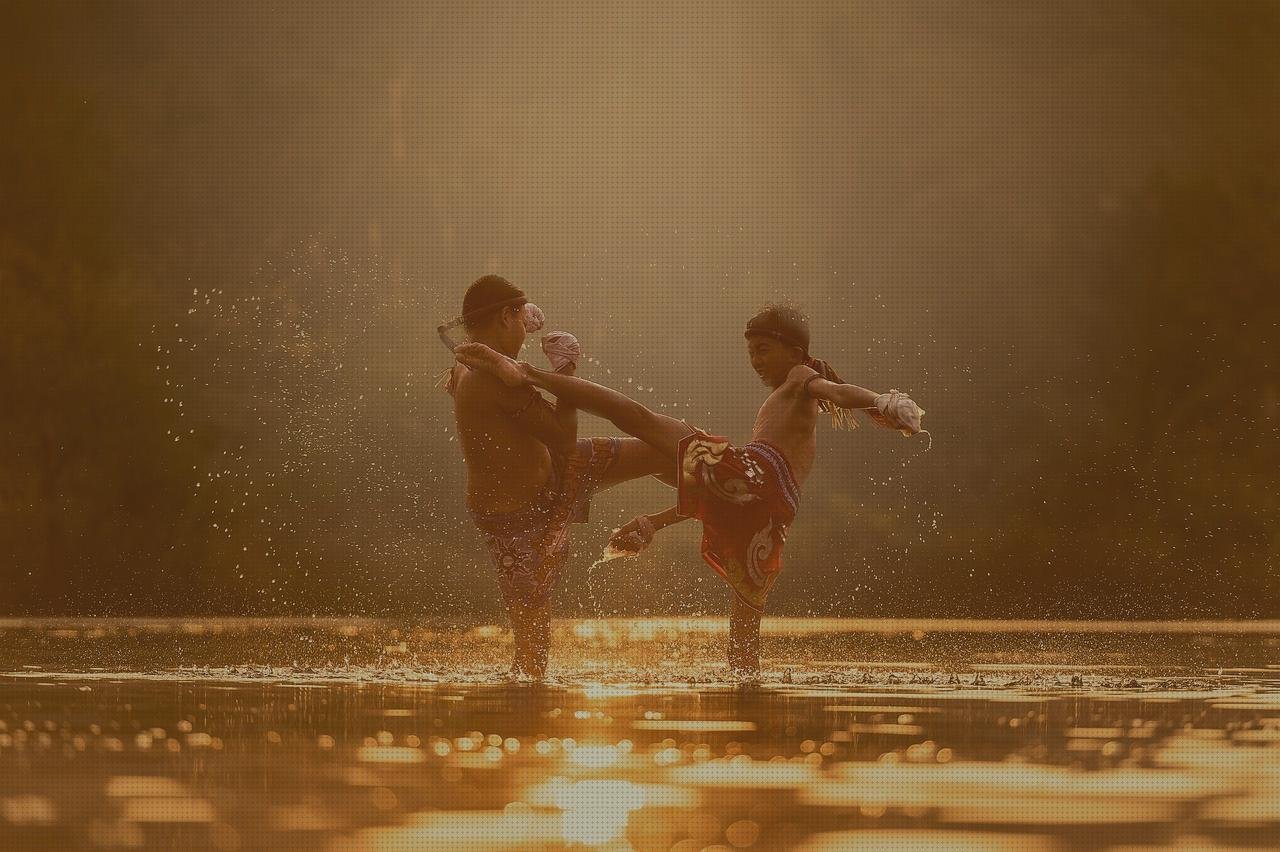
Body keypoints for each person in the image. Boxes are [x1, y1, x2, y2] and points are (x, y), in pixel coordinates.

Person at [454, 304, 925, 677]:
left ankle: (531, 373)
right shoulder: (788, 398)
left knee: (637, 417)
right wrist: (653, 523)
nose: (757, 362)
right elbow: (724, 498)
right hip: (768, 515)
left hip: (753, 474)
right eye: (752, 353)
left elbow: (840, 393)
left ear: (796, 352)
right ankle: (748, 704)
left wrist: (881, 400)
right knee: (744, 647)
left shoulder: (802, 378)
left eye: (764, 350)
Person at [445, 275, 672, 679]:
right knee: (532, 655)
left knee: (662, 451)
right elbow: (566, 436)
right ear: (505, 317)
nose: (524, 330)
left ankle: (718, 484)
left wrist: (515, 334)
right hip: (516, 520)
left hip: (555, 474)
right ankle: (523, 721)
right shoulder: (487, 376)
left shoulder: (467, 362)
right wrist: (565, 370)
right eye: (518, 318)